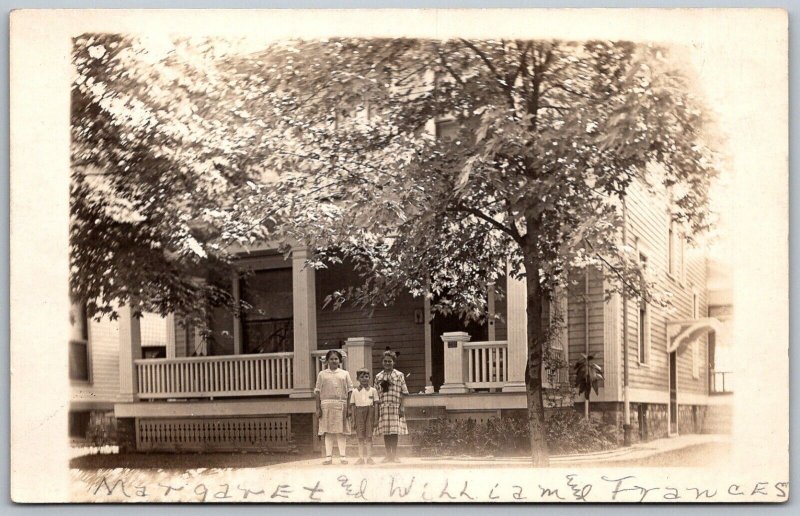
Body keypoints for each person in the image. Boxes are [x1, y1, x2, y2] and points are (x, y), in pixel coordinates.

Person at [314, 349, 353, 465]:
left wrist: (349, 407)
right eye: (331, 359)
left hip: (341, 404)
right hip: (326, 405)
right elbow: (317, 391)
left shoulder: (344, 374)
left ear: (339, 360)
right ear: (327, 361)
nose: (334, 361)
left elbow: (350, 390)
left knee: (341, 432)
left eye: (336, 359)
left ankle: (343, 456)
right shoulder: (322, 374)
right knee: (328, 432)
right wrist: (317, 408)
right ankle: (328, 457)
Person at [374, 350, 408, 463]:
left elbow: (403, 392)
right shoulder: (378, 376)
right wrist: (377, 409)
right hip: (383, 407)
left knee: (394, 431)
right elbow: (376, 395)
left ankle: (395, 455)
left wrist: (402, 407)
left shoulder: (399, 375)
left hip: (395, 407)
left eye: (390, 361)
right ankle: (388, 454)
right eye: (385, 361)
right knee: (386, 432)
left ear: (394, 362)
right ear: (382, 362)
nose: (387, 363)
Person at [350, 368, 379, 465]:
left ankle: (369, 457)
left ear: (369, 378)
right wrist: (353, 421)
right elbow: (353, 407)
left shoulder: (373, 390)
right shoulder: (354, 391)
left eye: (366, 376)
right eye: (361, 377)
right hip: (359, 413)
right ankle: (361, 458)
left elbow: (376, 405)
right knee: (360, 437)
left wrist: (375, 419)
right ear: (357, 378)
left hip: (370, 413)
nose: (364, 379)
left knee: (369, 436)